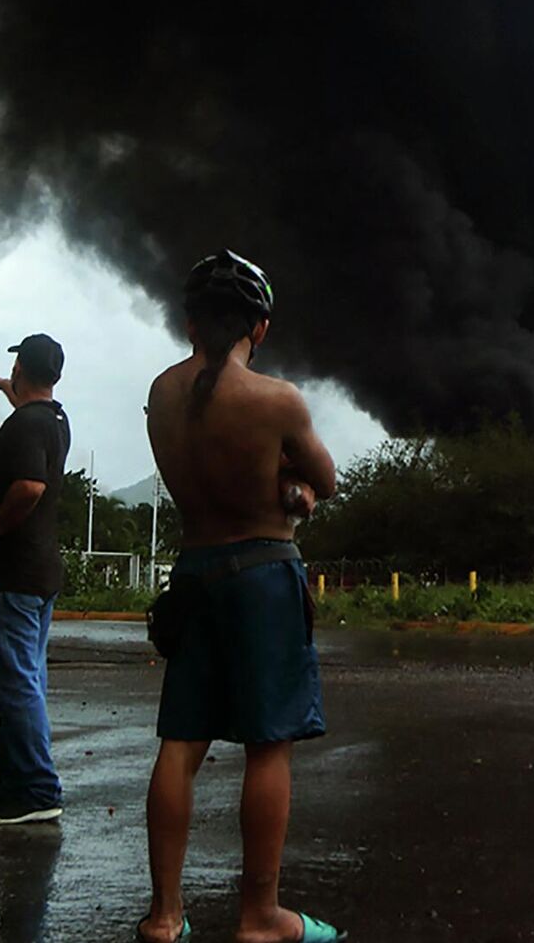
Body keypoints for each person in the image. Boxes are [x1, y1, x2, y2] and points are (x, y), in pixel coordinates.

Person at [137, 250, 342, 943]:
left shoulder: (161, 395)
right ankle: (261, 916)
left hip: (194, 574)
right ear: (260, 326)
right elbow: (327, 480)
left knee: (181, 741)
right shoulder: (276, 400)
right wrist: (297, 490)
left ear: (190, 322)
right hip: (261, 574)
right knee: (268, 742)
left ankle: (165, 917)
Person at [0, 333, 71, 826]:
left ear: (24, 368)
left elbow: (29, 487)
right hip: (35, 569)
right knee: (22, 680)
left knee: (16, 684)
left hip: (13, 571)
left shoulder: (27, 425)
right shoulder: (50, 416)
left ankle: (37, 788)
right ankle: (14, 781)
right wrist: (1, 384)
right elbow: (27, 398)